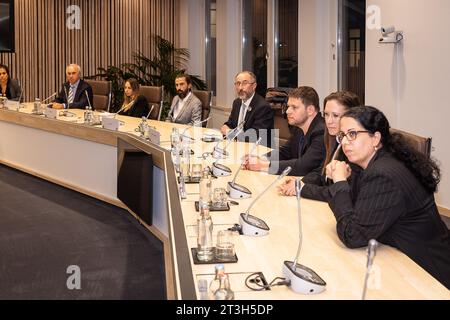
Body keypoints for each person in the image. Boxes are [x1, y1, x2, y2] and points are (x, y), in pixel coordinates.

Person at [325, 106, 450, 289]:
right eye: (342, 135)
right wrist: (335, 184)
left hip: (428, 274)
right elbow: (352, 202)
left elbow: (352, 235)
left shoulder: (383, 174)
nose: (345, 142)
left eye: (352, 134)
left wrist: (339, 183)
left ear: (375, 138)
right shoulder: (374, 162)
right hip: (399, 256)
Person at [278, 91, 361, 199]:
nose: (329, 121)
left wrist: (302, 188)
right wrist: (300, 182)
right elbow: (321, 172)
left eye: (335, 115)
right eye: (326, 114)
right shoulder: (335, 138)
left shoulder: (356, 148)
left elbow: (338, 191)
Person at [243, 86, 325, 176]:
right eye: (288, 106)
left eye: (294, 107)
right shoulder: (299, 127)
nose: (287, 111)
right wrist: (261, 158)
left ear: (310, 110)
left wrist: (263, 165)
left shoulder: (321, 132)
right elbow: (285, 152)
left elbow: (304, 166)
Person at [221, 71, 274, 147]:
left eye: (244, 83)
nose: (240, 88)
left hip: (258, 149)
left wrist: (229, 132)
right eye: (238, 83)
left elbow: (254, 137)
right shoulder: (237, 103)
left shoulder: (263, 107)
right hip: (238, 146)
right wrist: (225, 126)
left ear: (254, 86)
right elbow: (231, 123)